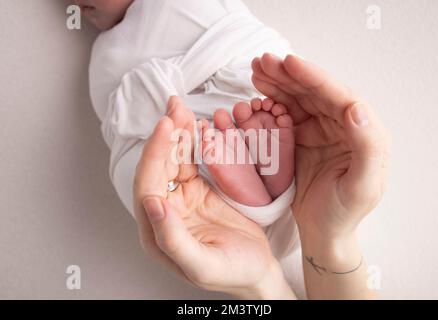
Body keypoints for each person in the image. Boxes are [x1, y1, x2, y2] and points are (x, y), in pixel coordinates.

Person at [134, 54, 390, 299]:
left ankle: (259, 193)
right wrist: (329, 235)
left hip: (205, 217)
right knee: (247, 84)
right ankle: (263, 194)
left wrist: (262, 285)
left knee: (152, 165)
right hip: (282, 217)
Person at [84, 0, 300, 260]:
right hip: (191, 187)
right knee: (147, 162)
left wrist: (154, 100)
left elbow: (243, 39)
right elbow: (115, 125)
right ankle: (257, 190)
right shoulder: (101, 55)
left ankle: (254, 179)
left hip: (218, 101)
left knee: (250, 88)